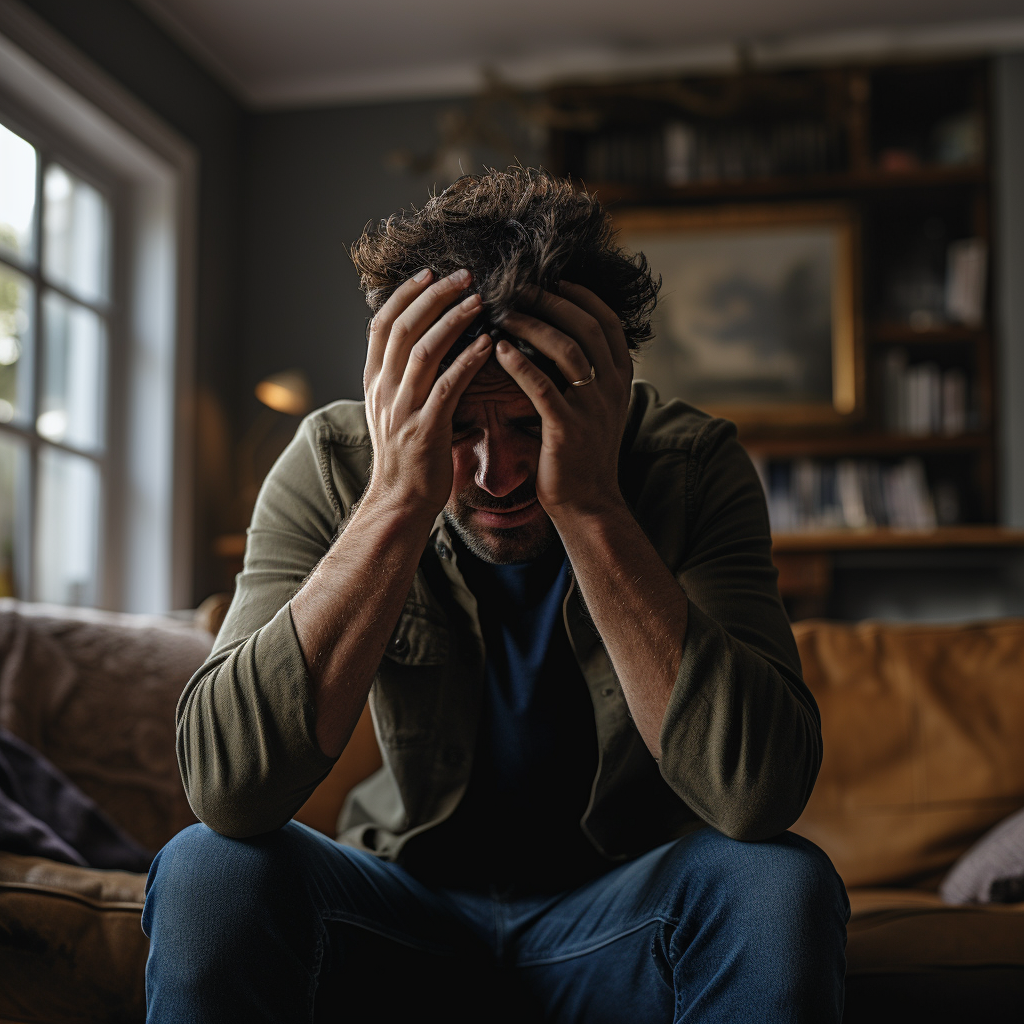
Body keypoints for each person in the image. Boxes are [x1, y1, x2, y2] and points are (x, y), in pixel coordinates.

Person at [143, 168, 849, 1023]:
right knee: (208, 871)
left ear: (605, 392)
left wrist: (590, 503)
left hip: (622, 914)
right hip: (402, 910)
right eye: (458, 427)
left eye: (530, 423)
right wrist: (399, 497)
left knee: (780, 885)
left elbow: (758, 794)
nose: (497, 474)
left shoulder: (691, 468)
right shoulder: (334, 464)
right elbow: (228, 789)